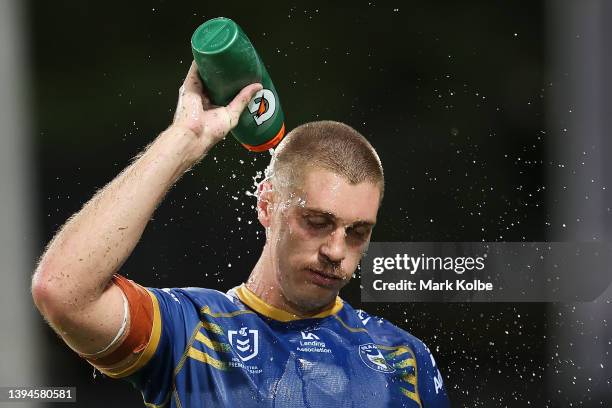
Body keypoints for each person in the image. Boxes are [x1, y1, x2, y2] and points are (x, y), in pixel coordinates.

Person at [32, 61, 450, 407]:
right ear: (267, 205)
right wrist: (185, 139)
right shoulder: (191, 331)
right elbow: (63, 288)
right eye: (317, 222)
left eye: (357, 232)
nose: (336, 251)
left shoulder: (404, 359)